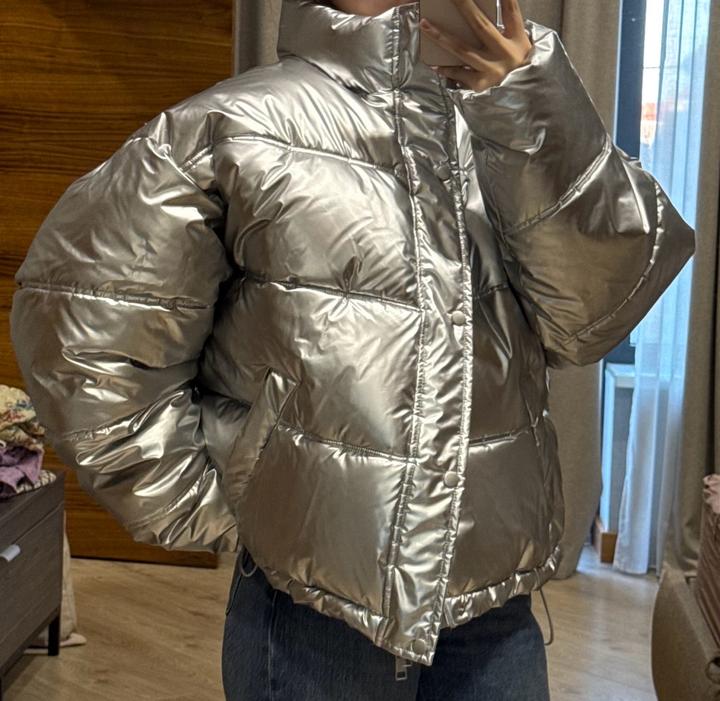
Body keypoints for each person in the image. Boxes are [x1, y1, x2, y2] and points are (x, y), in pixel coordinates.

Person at [9, 0, 695, 699]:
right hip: (316, 612)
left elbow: (592, 317)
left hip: (496, 605)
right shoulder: (235, 126)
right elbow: (81, 321)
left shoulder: (512, 115)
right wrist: (217, 493)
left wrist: (531, 110)